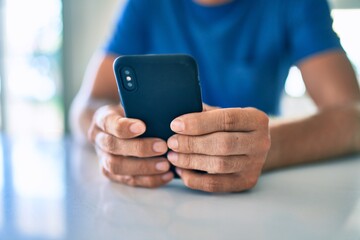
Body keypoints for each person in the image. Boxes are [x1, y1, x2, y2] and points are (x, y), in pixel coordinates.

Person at [70, 0, 360, 192]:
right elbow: (86, 106)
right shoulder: (143, 4)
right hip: (161, 196)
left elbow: (354, 117)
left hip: (255, 201)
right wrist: (104, 133)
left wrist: (269, 146)